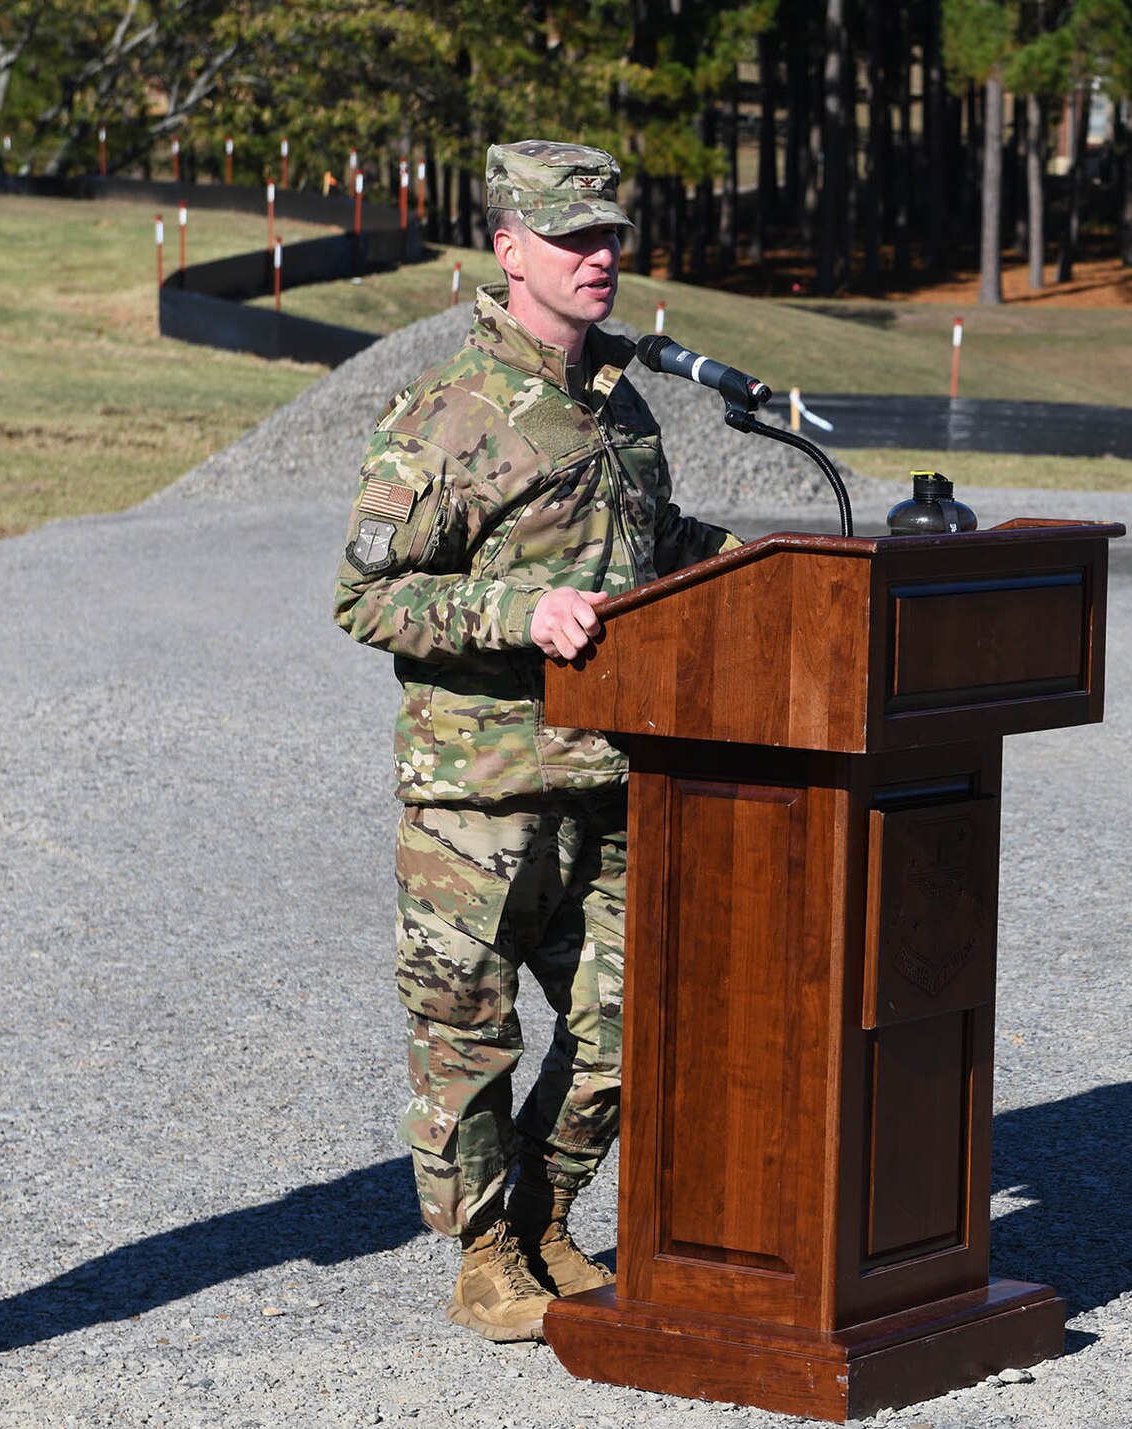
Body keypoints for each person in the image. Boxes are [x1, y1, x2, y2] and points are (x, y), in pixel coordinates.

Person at [333, 140, 739, 1342]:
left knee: (633, 1019)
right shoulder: (451, 413)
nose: (599, 255)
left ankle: (547, 1208)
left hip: (611, 772)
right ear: (509, 250)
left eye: (609, 234)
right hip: (481, 787)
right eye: (572, 238)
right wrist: (518, 611)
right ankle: (483, 1253)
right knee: (468, 1028)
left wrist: (768, 570)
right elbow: (368, 598)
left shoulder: (620, 402)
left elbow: (651, 549)